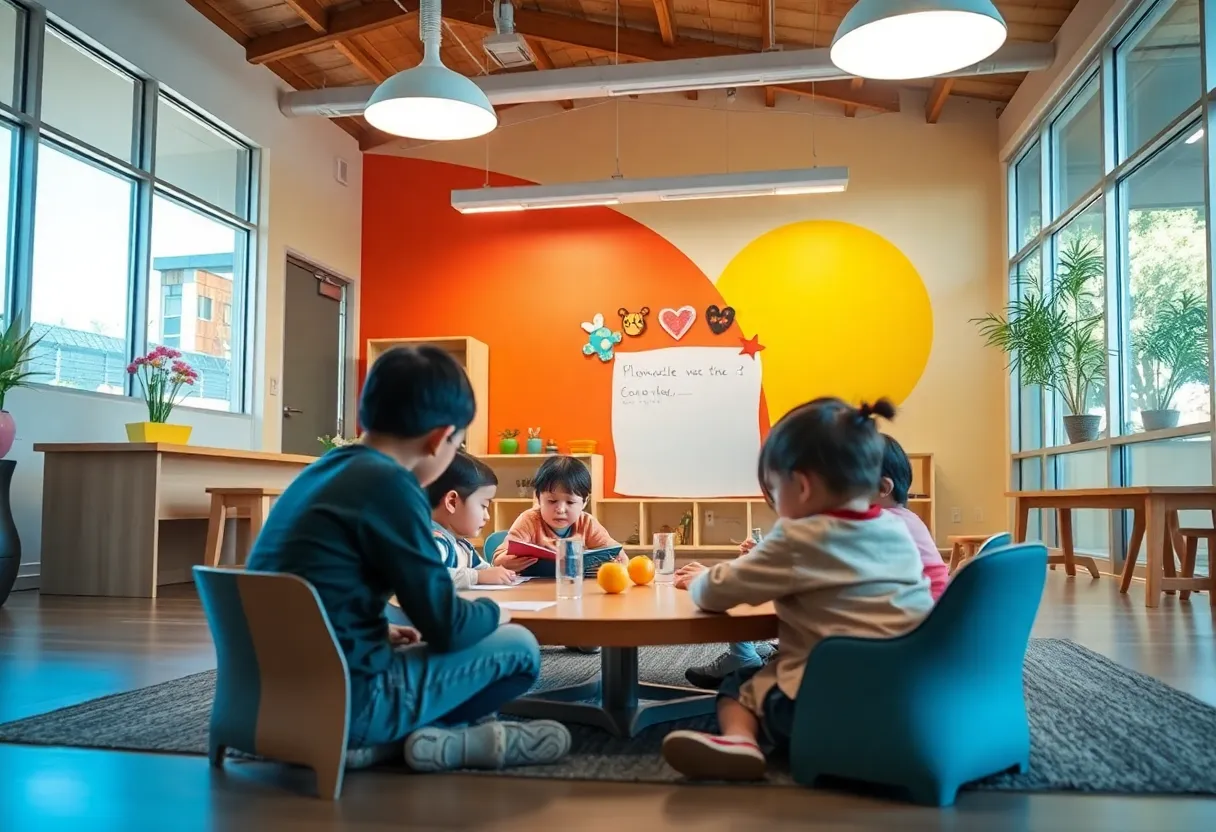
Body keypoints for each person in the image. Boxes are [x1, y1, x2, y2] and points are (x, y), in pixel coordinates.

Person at [246, 345, 570, 773]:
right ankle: (407, 740)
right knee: (520, 648)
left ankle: (380, 739)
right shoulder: (393, 488)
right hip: (350, 703)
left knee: (414, 634)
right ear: (439, 439)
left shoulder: (322, 471)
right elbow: (448, 628)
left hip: (268, 699)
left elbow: (314, 585)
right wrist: (497, 613)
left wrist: (379, 627)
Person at [661, 397, 933, 781]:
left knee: (740, 685)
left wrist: (699, 581)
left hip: (829, 708)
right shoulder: (898, 530)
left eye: (774, 489)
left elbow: (718, 593)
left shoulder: (797, 537)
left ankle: (741, 741)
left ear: (802, 486)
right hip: (909, 698)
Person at [492, 454, 625, 654]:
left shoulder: (587, 523)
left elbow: (618, 554)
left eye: (570, 503)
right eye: (551, 501)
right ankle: (537, 635)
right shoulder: (529, 520)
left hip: (573, 595)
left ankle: (572, 635)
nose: (560, 509)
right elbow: (498, 557)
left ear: (584, 502)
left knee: (591, 643)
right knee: (522, 643)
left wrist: (615, 561)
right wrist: (509, 562)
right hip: (532, 595)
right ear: (538, 498)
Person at [427, 451, 517, 589]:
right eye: (483, 506)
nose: (487, 516)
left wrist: (501, 574)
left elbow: (484, 570)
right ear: (452, 502)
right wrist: (477, 577)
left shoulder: (462, 545)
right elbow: (428, 576)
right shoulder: (434, 541)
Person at [877, 434, 950, 601]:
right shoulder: (908, 517)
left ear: (883, 487)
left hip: (924, 612)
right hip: (934, 606)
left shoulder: (884, 522)